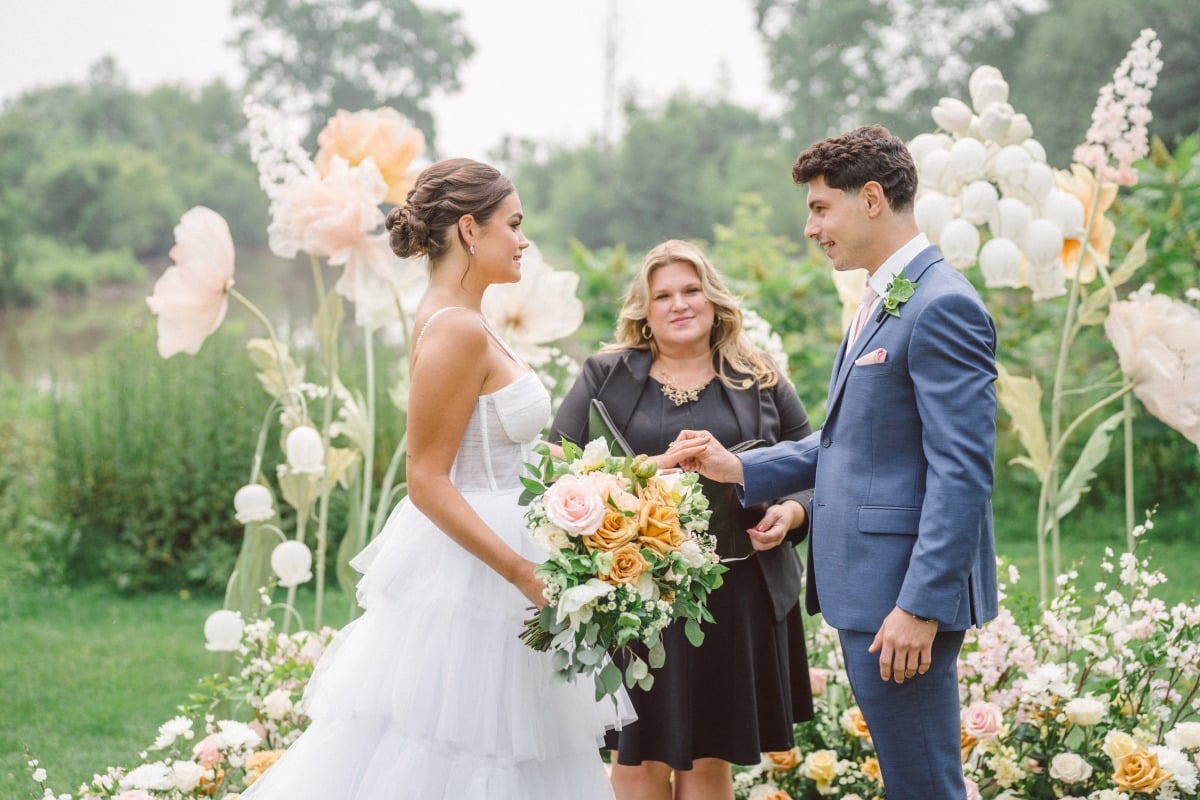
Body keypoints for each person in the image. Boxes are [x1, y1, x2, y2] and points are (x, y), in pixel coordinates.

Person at [242, 158, 631, 799]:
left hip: (510, 542)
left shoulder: (465, 320)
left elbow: (518, 450)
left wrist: (628, 483)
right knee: (465, 749)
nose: (524, 239)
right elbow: (426, 479)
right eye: (514, 224)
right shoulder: (455, 328)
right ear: (471, 232)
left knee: (513, 749)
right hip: (482, 569)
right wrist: (521, 571)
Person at [675, 126, 999, 799]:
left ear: (872, 199)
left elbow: (962, 471)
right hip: (869, 592)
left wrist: (920, 605)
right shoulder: (882, 300)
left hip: (901, 600)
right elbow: (853, 441)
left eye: (820, 208)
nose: (809, 227)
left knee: (925, 785)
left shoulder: (941, 305)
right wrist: (741, 469)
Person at [550, 239, 815, 800]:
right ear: (644, 311)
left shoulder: (760, 377)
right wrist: (648, 469)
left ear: (714, 299)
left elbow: (818, 464)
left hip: (735, 593)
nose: (679, 304)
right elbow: (558, 466)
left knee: (709, 758)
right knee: (636, 758)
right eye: (662, 294)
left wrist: (792, 513)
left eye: (691, 290)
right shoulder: (605, 375)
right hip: (632, 591)